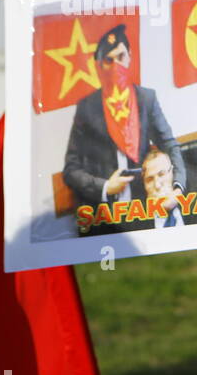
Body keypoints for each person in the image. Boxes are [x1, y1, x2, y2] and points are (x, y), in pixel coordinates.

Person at [62, 24, 187, 235]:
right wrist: (104, 187)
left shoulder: (146, 99)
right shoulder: (87, 107)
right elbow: (71, 170)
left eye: (120, 56)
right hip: (105, 213)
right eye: (109, 60)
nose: (116, 65)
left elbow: (171, 146)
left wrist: (177, 188)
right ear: (101, 65)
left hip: (146, 209)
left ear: (129, 56)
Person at [141, 146, 184, 229]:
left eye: (162, 174)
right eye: (149, 180)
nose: (157, 185)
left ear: (172, 173)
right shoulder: (137, 223)